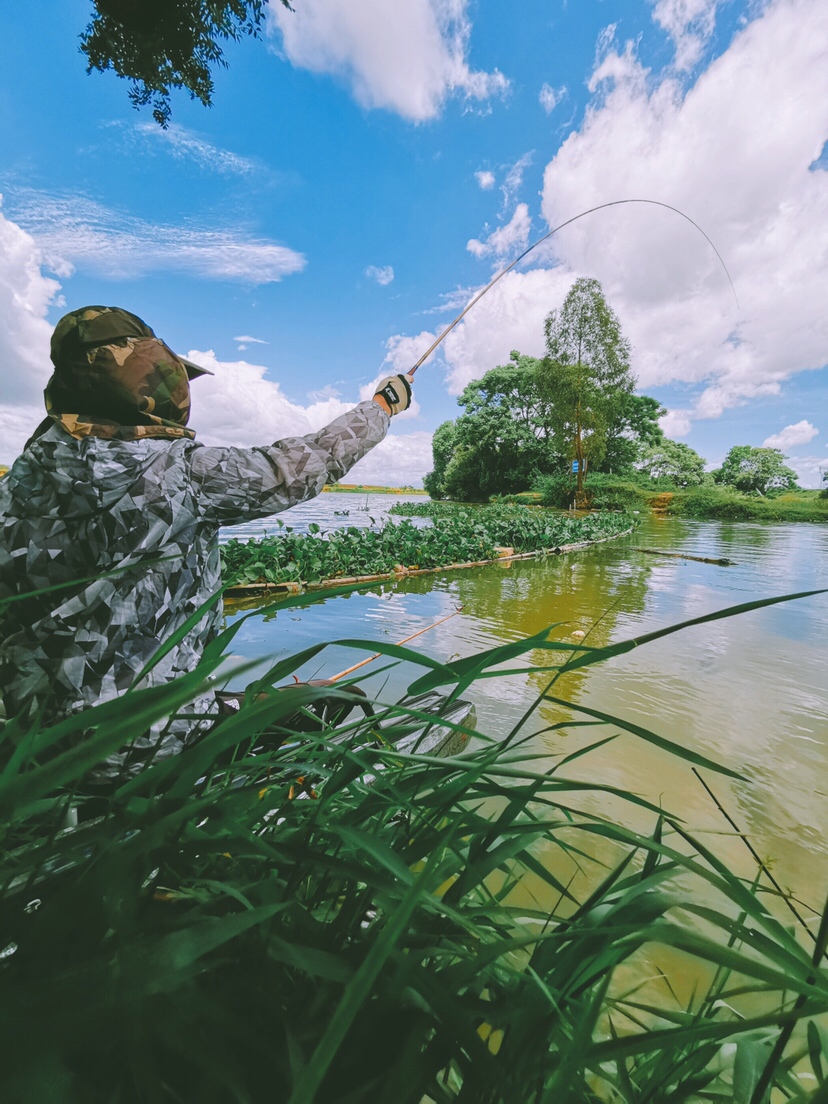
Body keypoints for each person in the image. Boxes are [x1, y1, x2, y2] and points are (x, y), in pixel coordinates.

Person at [0, 305, 413, 782]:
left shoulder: (17, 486)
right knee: (340, 698)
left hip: (36, 745)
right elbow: (302, 464)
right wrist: (382, 407)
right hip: (148, 742)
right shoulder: (181, 474)